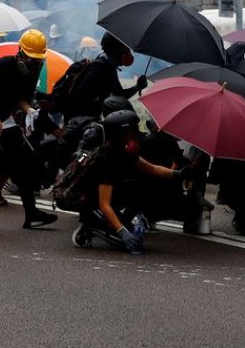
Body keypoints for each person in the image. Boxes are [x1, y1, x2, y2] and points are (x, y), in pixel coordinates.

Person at [0, 28, 59, 230]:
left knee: (23, 167)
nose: (35, 62)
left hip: (9, 124)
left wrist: (29, 110)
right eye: (31, 58)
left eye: (38, 59)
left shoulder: (34, 70)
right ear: (20, 52)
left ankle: (31, 214)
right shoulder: (2, 66)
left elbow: (21, 97)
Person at [71, 109, 190, 254]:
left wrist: (177, 174)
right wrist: (123, 233)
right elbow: (104, 204)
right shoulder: (108, 158)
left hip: (111, 196)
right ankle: (94, 224)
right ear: (124, 133)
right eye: (133, 130)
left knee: (145, 185)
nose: (136, 134)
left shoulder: (122, 151)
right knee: (132, 241)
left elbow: (152, 169)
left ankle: (119, 221)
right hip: (92, 201)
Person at [50, 32, 147, 120]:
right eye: (124, 50)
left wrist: (137, 87)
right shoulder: (101, 69)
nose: (127, 53)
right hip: (79, 120)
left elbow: (119, 95)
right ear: (115, 51)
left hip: (84, 118)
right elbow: (83, 97)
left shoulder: (106, 67)